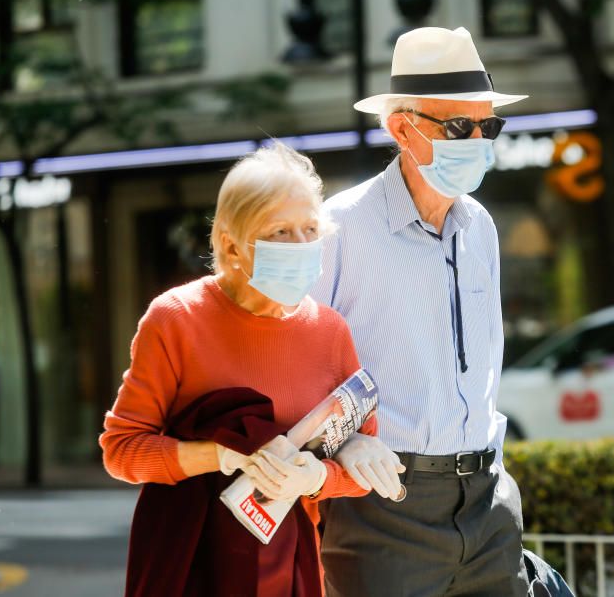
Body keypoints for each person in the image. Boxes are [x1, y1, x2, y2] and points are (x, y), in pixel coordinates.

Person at [99, 144, 402, 597]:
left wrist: (317, 478)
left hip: (290, 571)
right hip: (191, 567)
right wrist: (222, 455)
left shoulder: (330, 331)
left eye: (311, 229)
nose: (302, 247)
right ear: (230, 245)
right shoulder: (176, 318)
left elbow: (359, 461)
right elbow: (122, 451)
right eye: (281, 232)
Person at [311, 26, 532, 596]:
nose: (479, 140)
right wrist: (345, 442)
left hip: (488, 502)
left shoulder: (479, 226)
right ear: (401, 128)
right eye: (460, 126)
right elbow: (298, 371)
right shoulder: (338, 228)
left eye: (490, 126)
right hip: (383, 504)